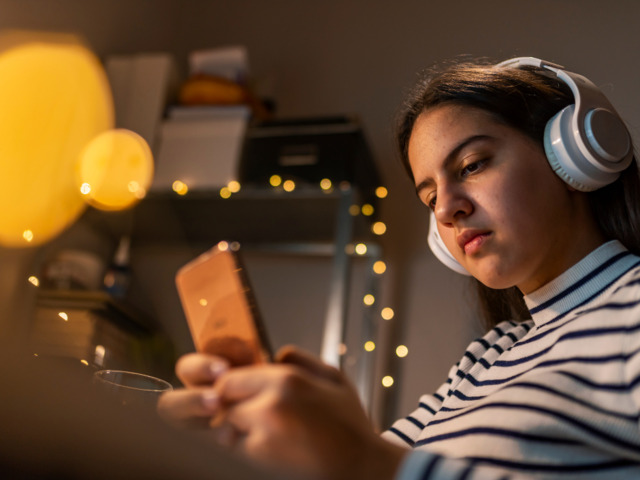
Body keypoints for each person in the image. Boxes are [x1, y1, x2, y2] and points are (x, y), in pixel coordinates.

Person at [158, 56, 640, 479]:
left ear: (571, 157)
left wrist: (361, 462)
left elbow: (375, 467)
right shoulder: (487, 356)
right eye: (429, 197)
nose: (448, 209)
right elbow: (375, 463)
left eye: (472, 165)